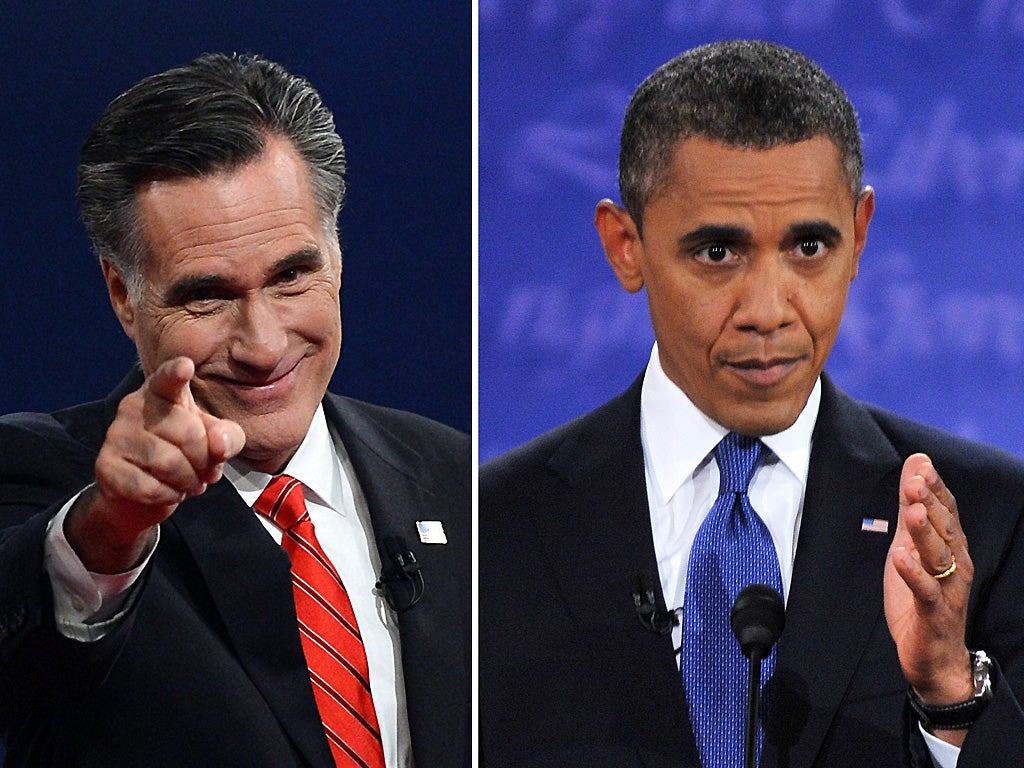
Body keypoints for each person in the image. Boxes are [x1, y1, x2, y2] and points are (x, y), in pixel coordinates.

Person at [479, 40, 1024, 768]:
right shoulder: (496, 528)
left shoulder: (991, 520)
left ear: (858, 236)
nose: (769, 310)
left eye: (808, 246)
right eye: (717, 253)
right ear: (625, 246)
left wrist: (947, 692)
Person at [0, 53, 469, 768]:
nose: (264, 343)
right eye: (207, 295)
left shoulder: (456, 476)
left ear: (337, 253)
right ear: (125, 295)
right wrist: (112, 524)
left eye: (291, 276)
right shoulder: (45, 475)